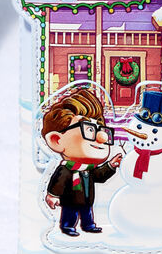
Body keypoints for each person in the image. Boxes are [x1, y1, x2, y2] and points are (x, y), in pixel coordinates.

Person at [41, 87, 123, 236]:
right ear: (57, 140)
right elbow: (58, 182)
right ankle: (68, 227)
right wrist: (53, 195)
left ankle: (89, 225)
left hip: (87, 199)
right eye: (89, 129)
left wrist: (111, 165)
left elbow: (98, 176)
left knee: (87, 213)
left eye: (101, 130)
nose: (102, 138)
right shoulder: (66, 168)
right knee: (70, 213)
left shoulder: (88, 168)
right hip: (70, 200)